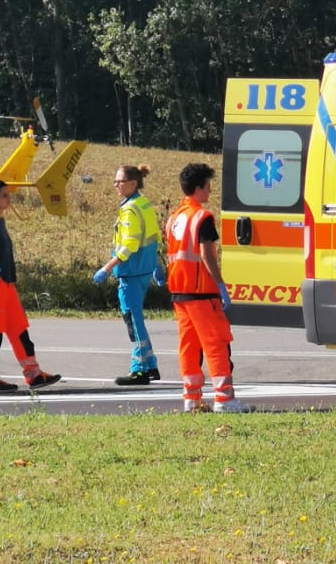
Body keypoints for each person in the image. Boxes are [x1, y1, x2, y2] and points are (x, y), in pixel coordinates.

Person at [0, 179, 61, 392]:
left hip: (6, 285)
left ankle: (34, 375)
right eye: (4, 195)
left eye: (8, 194)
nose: (9, 199)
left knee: (19, 330)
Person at [163, 162, 244, 413]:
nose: (210, 190)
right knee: (215, 343)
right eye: (208, 186)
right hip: (201, 292)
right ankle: (224, 400)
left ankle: (192, 399)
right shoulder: (202, 217)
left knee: (189, 346)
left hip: (179, 292)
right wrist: (220, 284)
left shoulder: (175, 217)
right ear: (198, 188)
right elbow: (206, 254)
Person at [94, 164, 162, 385]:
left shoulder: (131, 209)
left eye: (120, 181)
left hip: (131, 272)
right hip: (144, 269)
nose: (116, 185)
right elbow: (155, 236)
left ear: (133, 183)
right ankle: (150, 365)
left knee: (133, 320)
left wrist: (107, 268)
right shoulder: (143, 204)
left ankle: (140, 369)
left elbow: (129, 245)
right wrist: (157, 266)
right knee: (136, 318)